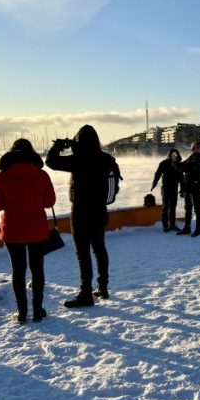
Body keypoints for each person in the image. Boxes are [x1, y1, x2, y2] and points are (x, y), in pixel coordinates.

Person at [46, 125, 121, 307]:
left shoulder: (78, 160)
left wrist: (59, 146)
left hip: (81, 211)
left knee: (83, 253)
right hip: (100, 210)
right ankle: (103, 287)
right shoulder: (106, 159)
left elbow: (51, 161)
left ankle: (86, 293)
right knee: (99, 248)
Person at [0, 139, 56, 323]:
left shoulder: (1, 176)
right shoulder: (41, 175)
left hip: (13, 230)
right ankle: (37, 309)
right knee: (37, 269)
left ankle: (21, 312)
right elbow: (49, 202)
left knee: (18, 270)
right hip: (37, 230)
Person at [175, 142, 200, 237]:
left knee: (197, 210)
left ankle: (198, 230)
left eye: (197, 147)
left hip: (196, 187)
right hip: (188, 187)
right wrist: (175, 161)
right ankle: (187, 228)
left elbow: (194, 170)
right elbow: (181, 166)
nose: (194, 149)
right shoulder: (191, 157)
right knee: (187, 208)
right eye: (193, 148)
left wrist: (183, 167)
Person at [151, 148, 183, 232]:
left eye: (175, 154)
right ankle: (165, 225)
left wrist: (182, 189)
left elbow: (181, 178)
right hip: (165, 188)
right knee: (165, 207)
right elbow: (157, 174)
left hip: (174, 188)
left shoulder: (178, 164)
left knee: (173, 207)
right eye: (172, 154)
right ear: (169, 154)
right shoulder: (163, 163)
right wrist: (154, 184)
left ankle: (172, 225)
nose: (173, 156)